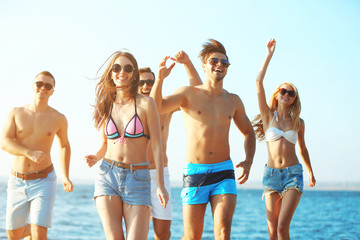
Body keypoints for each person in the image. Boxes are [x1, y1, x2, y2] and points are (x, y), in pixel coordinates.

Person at [151, 40, 256, 240]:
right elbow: (157, 107)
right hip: (195, 172)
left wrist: (249, 160)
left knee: (223, 234)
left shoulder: (233, 100)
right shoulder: (188, 93)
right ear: (204, 65)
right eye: (214, 60)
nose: (219, 65)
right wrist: (160, 79)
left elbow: (249, 133)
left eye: (224, 63)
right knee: (192, 237)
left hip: (224, 172)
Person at [84, 51, 168, 240]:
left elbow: (156, 146)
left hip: (138, 178)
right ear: (111, 73)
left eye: (128, 68)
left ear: (133, 73)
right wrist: (96, 157)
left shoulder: (146, 103)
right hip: (107, 175)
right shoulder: (106, 104)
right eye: (117, 67)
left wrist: (160, 185)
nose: (122, 72)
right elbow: (105, 143)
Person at [252, 38, 316, 240]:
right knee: (272, 232)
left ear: (294, 98)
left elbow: (303, 150)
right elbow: (258, 82)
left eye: (291, 92)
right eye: (283, 91)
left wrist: (310, 172)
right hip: (271, 176)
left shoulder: (299, 122)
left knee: (281, 228)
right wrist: (268, 55)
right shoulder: (267, 116)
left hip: (293, 175)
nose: (287, 94)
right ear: (277, 95)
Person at [0, 71, 73, 240]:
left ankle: (36, 231)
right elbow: (4, 142)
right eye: (39, 84)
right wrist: (28, 153)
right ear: (33, 86)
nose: (43, 88)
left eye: (48, 86)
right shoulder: (16, 113)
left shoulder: (58, 118)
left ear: (52, 91)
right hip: (17, 180)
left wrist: (66, 177)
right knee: (14, 235)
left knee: (40, 233)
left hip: (44, 179)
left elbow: (64, 146)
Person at [138, 51, 202, 240]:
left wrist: (188, 64)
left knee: (163, 233)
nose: (145, 86)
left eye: (150, 82)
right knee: (137, 232)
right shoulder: (129, 108)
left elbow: (198, 92)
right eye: (141, 82)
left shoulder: (165, 107)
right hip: (136, 174)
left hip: (160, 174)